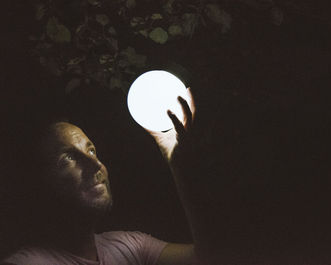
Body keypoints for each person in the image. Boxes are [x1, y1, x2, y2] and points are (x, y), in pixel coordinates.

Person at [1, 89, 203, 265]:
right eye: (69, 158)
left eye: (91, 151)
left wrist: (180, 166)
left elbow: (213, 257)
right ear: (40, 185)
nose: (95, 164)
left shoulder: (130, 247)